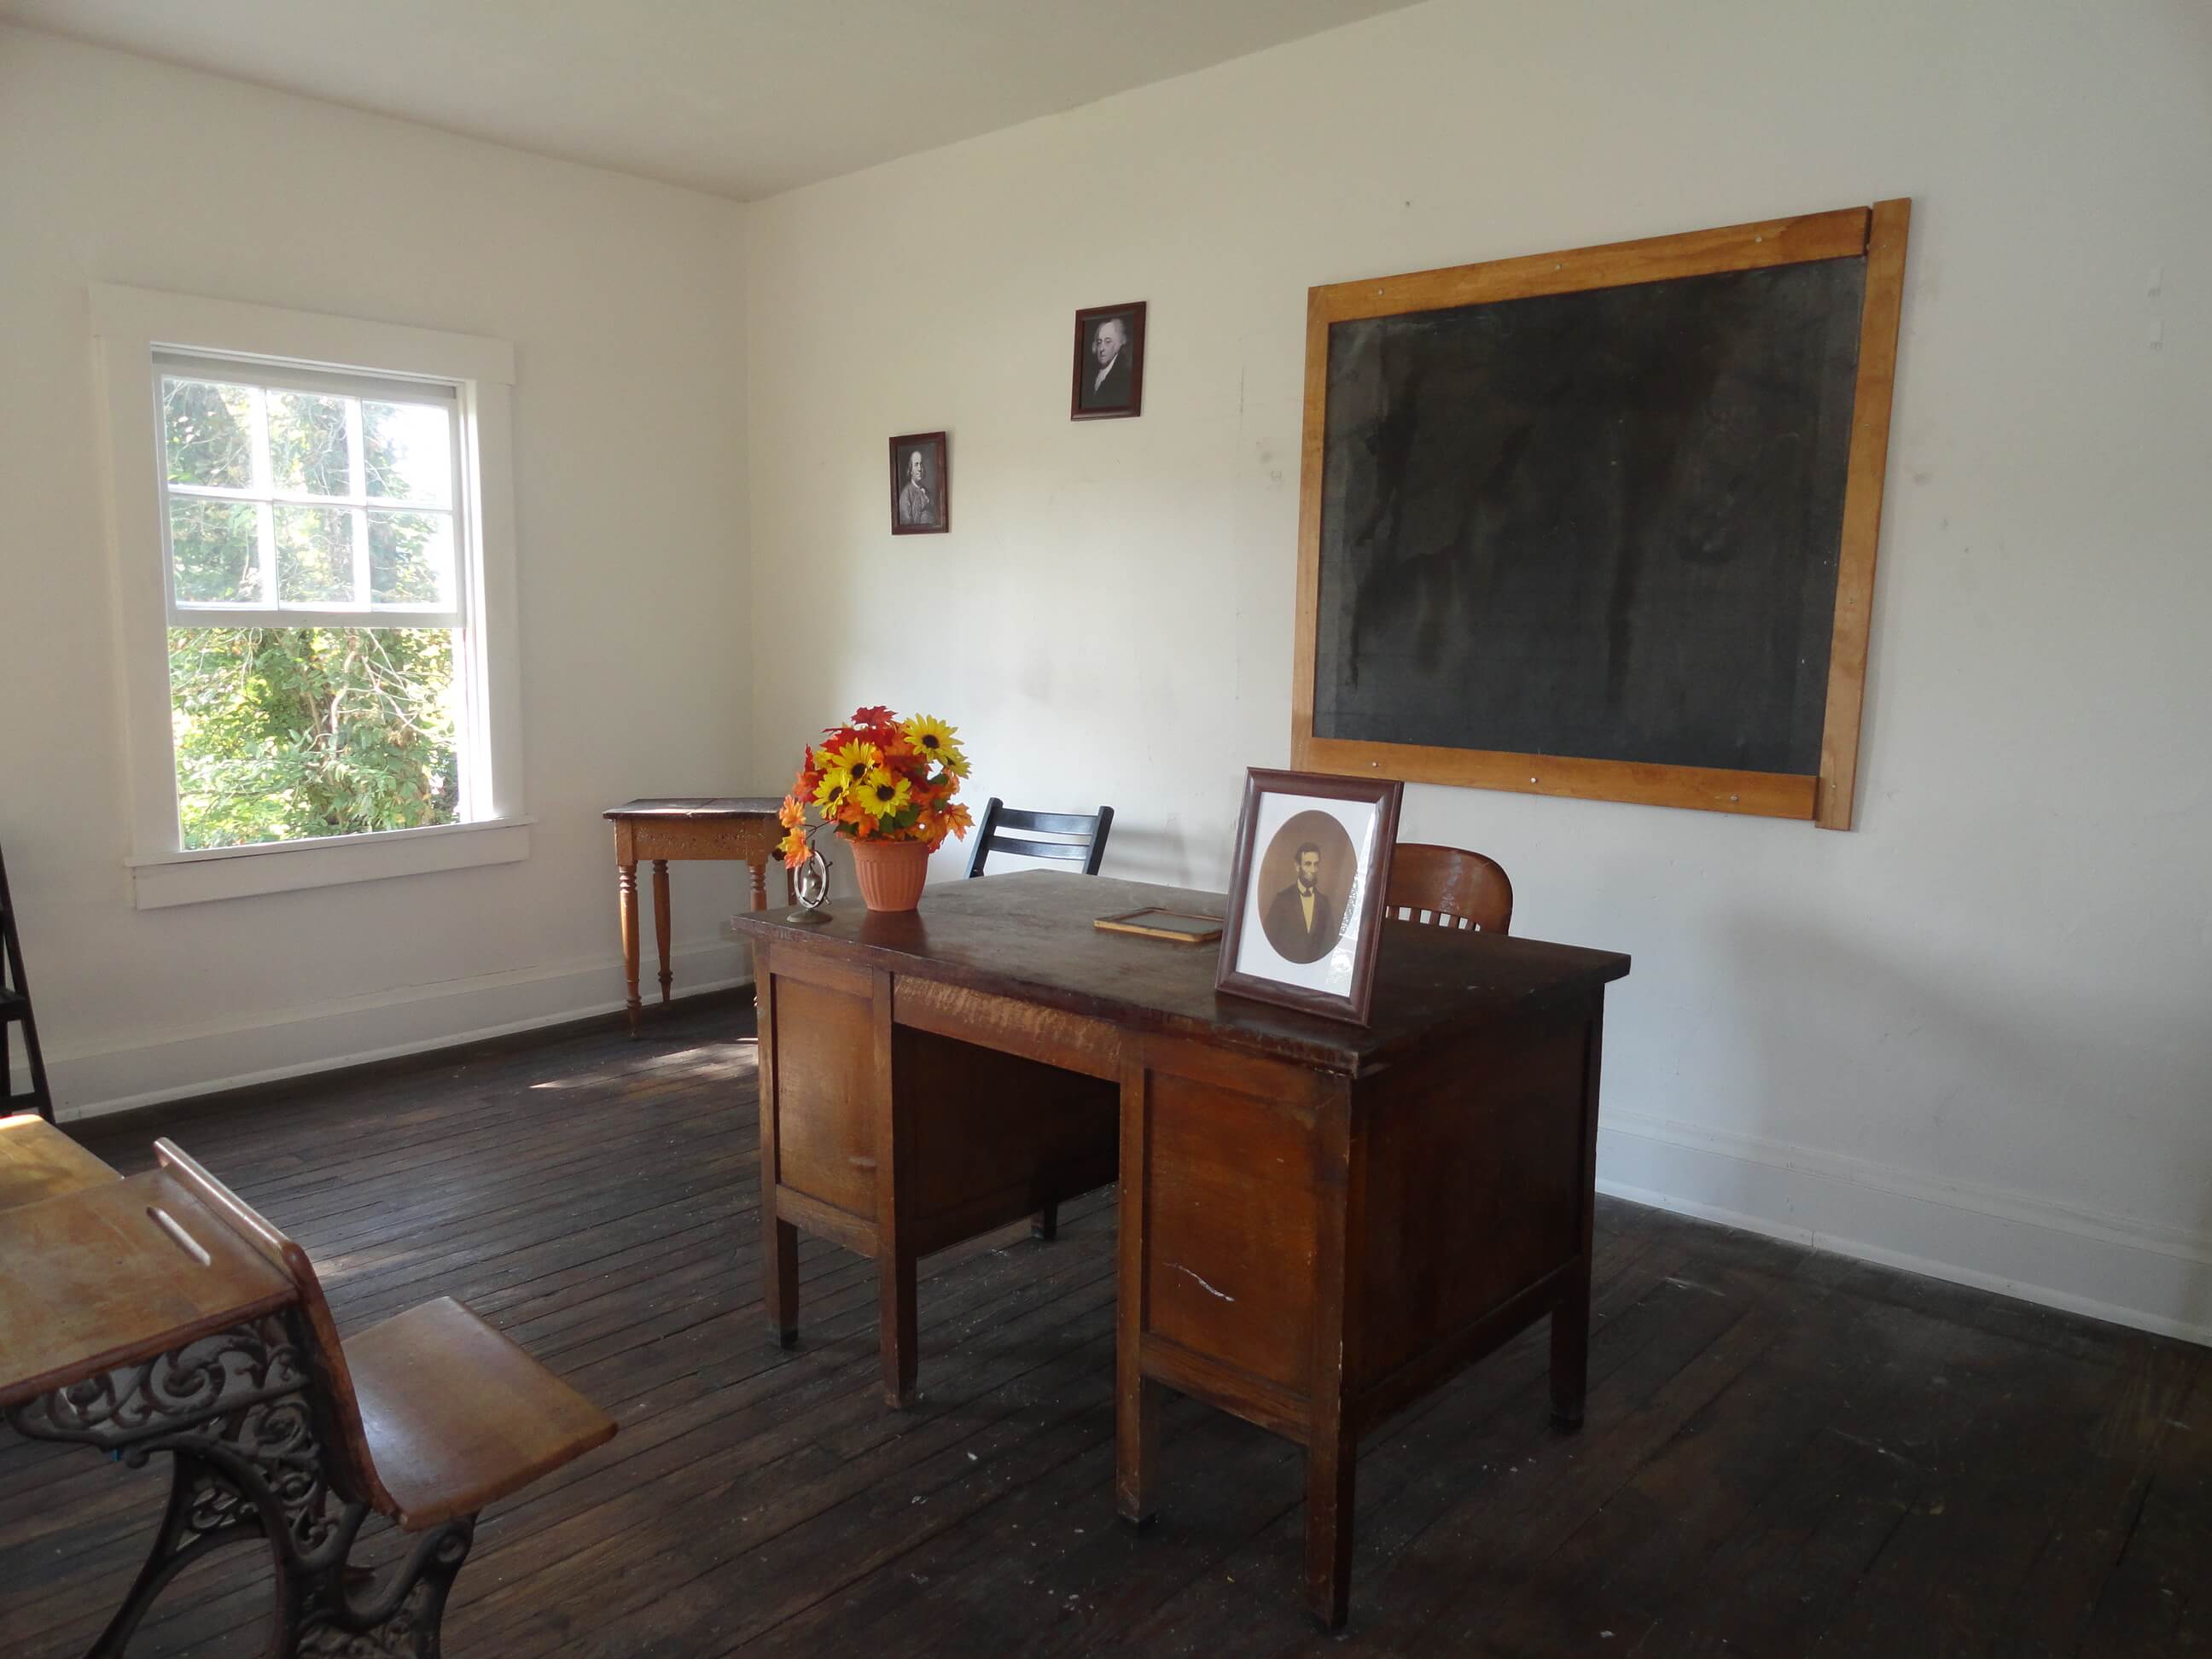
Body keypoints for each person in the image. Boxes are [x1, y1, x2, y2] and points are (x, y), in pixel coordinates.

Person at [1261, 842, 1339, 964]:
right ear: (1297, 866)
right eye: (1308, 864)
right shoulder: (1282, 900)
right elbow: (1268, 941)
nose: (1313, 870)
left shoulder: (1324, 903)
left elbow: (1330, 943)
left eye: (1316, 864)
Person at [1080, 315, 1132, 410]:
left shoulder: (1125, 376)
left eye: (1108, 341)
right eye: (1099, 342)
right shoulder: (1090, 374)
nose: (1101, 348)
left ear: (1119, 344)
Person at [896, 448, 934, 527]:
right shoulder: (906, 494)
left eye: (921, 464)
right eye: (916, 465)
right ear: (910, 470)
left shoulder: (928, 492)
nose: (920, 469)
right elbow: (907, 525)